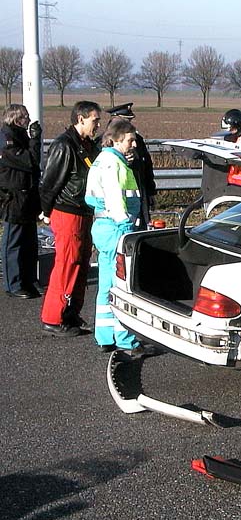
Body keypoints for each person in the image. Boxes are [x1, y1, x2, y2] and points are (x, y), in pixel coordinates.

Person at [39, 101, 102, 336]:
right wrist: (45, 211)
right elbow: (50, 182)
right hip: (68, 212)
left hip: (83, 210)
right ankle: (53, 318)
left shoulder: (85, 145)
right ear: (80, 119)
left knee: (81, 263)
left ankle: (71, 312)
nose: (97, 124)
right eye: (95, 120)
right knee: (67, 263)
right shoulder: (64, 145)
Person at [84, 118, 142, 352]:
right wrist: (126, 227)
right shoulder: (113, 164)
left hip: (104, 227)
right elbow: (115, 197)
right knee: (121, 285)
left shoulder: (103, 160)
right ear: (117, 139)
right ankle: (125, 338)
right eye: (131, 140)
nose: (134, 145)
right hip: (116, 228)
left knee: (107, 283)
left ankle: (105, 336)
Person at [0, 104, 42, 299]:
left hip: (28, 196)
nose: (28, 119)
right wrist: (35, 140)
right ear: (17, 119)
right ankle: (13, 284)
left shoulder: (20, 136)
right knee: (13, 242)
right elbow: (29, 161)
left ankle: (29, 279)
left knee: (29, 242)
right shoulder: (7, 139)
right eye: (25, 117)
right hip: (14, 197)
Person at [105, 103, 156, 230]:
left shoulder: (137, 140)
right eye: (126, 120)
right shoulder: (103, 142)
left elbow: (147, 167)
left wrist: (150, 192)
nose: (129, 124)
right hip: (114, 205)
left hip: (138, 196)